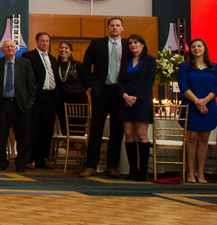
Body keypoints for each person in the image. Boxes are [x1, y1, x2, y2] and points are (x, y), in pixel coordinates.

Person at [80, 17, 130, 178]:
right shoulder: (97, 43)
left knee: (117, 130)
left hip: (120, 92)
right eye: (112, 25)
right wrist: (89, 86)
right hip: (101, 91)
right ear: (108, 28)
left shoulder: (128, 45)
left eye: (118, 25)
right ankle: (91, 166)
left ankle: (112, 166)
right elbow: (85, 66)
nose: (115, 28)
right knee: (96, 129)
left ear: (122, 28)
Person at [0, 39, 35, 172]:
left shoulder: (25, 63)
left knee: (22, 135)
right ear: (2, 50)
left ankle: (21, 163)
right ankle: (1, 162)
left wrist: (29, 103)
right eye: (7, 47)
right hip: (2, 104)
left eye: (12, 46)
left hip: (21, 105)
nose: (10, 49)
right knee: (2, 135)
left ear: (16, 49)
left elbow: (32, 85)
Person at [118, 34, 156, 181]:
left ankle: (142, 170)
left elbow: (149, 81)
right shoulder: (126, 60)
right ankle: (132, 169)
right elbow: (120, 81)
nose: (133, 45)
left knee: (141, 134)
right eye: (131, 43)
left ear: (142, 44)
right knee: (128, 134)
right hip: (126, 100)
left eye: (136, 43)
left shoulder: (150, 60)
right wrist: (125, 96)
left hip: (142, 100)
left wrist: (136, 97)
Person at [178, 38, 217, 183]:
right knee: (192, 138)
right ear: (191, 50)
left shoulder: (214, 67)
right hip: (191, 106)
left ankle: (201, 173)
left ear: (204, 48)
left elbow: (216, 87)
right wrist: (197, 102)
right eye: (193, 46)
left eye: (199, 46)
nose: (196, 48)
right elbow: (183, 86)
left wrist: (205, 101)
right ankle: (190, 172)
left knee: (204, 139)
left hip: (209, 107)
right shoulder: (184, 67)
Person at [23, 32, 59, 169]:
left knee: (46, 129)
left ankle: (41, 159)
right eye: (42, 41)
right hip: (36, 97)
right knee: (33, 129)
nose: (45, 43)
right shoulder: (29, 56)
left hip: (50, 97)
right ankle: (29, 158)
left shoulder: (53, 58)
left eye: (47, 41)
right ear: (37, 41)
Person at [55, 41, 88, 134]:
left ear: (70, 51)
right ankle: (68, 147)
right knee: (65, 128)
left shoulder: (77, 65)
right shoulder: (55, 65)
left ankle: (77, 147)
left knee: (78, 128)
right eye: (61, 47)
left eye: (66, 48)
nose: (63, 50)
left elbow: (85, 80)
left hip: (78, 100)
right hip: (62, 101)